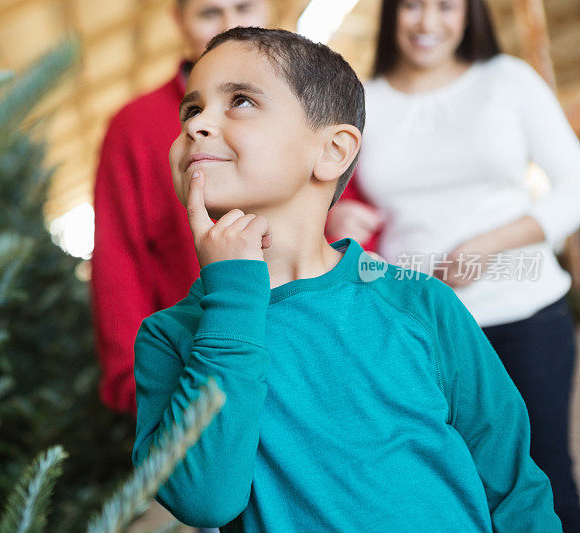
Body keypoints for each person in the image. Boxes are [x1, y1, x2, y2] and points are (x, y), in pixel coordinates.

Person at [132, 26, 561, 531]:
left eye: (241, 101)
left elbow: (514, 487)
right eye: (191, 109)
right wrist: (231, 295)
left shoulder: (421, 304)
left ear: (333, 152)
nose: (197, 124)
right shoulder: (171, 337)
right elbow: (205, 500)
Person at [325, 0, 580, 528]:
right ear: (392, 14)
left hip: (524, 312)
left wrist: (490, 245)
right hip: (419, 326)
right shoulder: (363, 101)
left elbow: (574, 187)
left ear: (471, 15)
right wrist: (340, 213)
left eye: (446, 6)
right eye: (413, 6)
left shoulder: (508, 80)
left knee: (541, 474)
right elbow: (330, 189)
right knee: (445, 482)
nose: (428, 22)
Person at [90, 0, 271, 416]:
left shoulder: (300, 108)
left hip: (302, 359)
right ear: (180, 21)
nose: (231, 24)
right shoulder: (135, 126)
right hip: (191, 375)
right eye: (210, 13)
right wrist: (133, 380)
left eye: (244, 6)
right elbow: (118, 257)